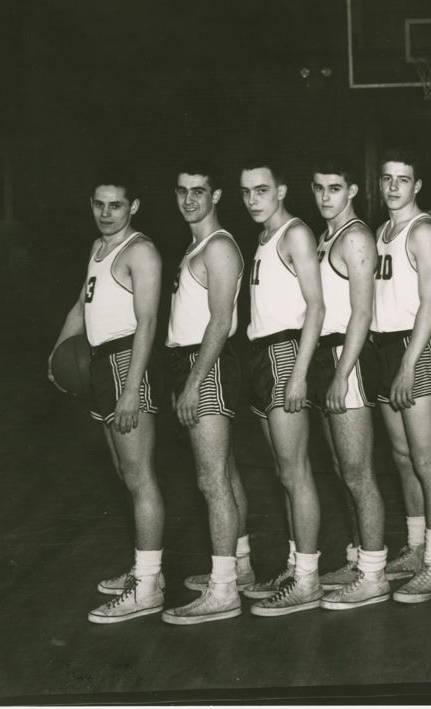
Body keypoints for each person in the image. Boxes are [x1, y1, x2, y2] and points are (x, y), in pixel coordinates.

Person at [49, 174, 166, 624]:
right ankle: (145, 567)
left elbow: (149, 322)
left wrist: (133, 388)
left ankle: (149, 586)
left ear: (133, 206)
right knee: (124, 471)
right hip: (99, 363)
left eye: (115, 205)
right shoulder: (98, 248)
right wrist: (58, 350)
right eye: (99, 204)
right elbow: (82, 304)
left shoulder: (140, 251)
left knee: (140, 476)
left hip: (125, 363)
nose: (106, 212)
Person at [238, 163, 324, 616]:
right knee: (283, 472)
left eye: (262, 190)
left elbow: (317, 306)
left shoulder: (295, 234)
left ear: (283, 190)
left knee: (297, 472)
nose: (253, 199)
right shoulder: (263, 237)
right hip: (261, 354)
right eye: (246, 192)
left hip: (285, 354)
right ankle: (296, 566)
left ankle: (308, 579)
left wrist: (299, 372)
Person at [161, 164, 246, 625]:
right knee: (225, 474)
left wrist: (194, 381)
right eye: (182, 190)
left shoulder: (219, 247)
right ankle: (239, 567)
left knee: (210, 481)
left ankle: (224, 590)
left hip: (206, 364)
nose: (189, 199)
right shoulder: (195, 244)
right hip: (192, 362)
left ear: (216, 195)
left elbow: (220, 321)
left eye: (199, 191)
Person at [309, 157, 392, 610]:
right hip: (328, 354)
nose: (326, 197)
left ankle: (375, 575)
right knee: (344, 469)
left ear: (353, 190)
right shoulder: (327, 237)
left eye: (335, 188)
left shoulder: (356, 237)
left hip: (348, 357)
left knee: (359, 472)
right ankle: (361, 557)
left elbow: (363, 312)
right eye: (319, 187)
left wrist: (343, 373)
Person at [371, 149, 431, 604]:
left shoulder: (423, 231)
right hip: (384, 346)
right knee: (402, 458)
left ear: (418, 185)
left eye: (403, 179)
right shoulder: (383, 231)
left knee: (427, 460)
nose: (394, 187)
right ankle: (418, 546)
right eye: (387, 179)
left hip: (412, 348)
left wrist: (408, 363)